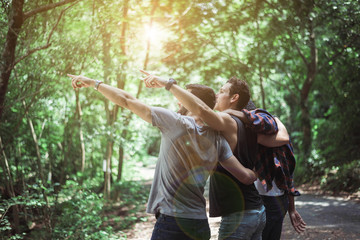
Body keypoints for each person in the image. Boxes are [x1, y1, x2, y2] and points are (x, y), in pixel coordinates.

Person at [68, 73, 257, 240]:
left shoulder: (174, 122)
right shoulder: (218, 140)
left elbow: (126, 99)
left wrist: (94, 83)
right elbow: (246, 177)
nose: (178, 102)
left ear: (192, 102)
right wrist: (264, 167)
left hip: (172, 223)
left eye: (183, 98)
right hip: (199, 224)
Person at [141, 71, 288, 240]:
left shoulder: (225, 120)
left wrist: (169, 84)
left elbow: (202, 111)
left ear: (234, 98)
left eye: (222, 91)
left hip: (239, 215)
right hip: (256, 210)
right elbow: (282, 139)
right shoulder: (247, 125)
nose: (217, 95)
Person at [225, 104, 307, 240]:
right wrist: (291, 208)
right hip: (268, 200)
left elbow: (287, 173)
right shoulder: (273, 131)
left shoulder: (269, 138)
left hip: (271, 200)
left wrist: (291, 208)